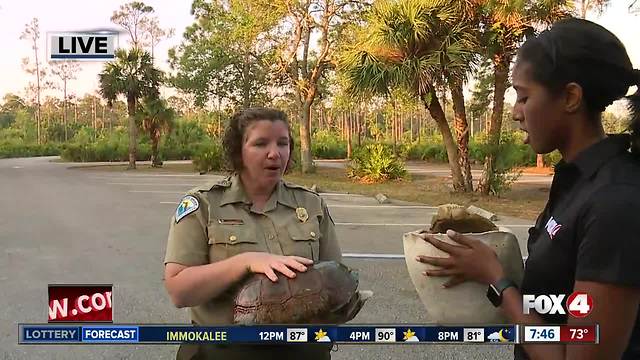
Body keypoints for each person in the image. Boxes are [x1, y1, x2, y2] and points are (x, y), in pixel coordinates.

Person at [416, 18, 640, 360]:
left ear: (570, 97)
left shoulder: (615, 201)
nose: (516, 113)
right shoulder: (576, 180)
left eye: (523, 97)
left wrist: (497, 281)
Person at [163, 107, 342, 360]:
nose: (274, 153)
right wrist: (245, 262)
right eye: (260, 143)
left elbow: (335, 284)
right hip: (224, 352)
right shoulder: (203, 205)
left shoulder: (311, 205)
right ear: (239, 151)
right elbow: (179, 291)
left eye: (283, 143)